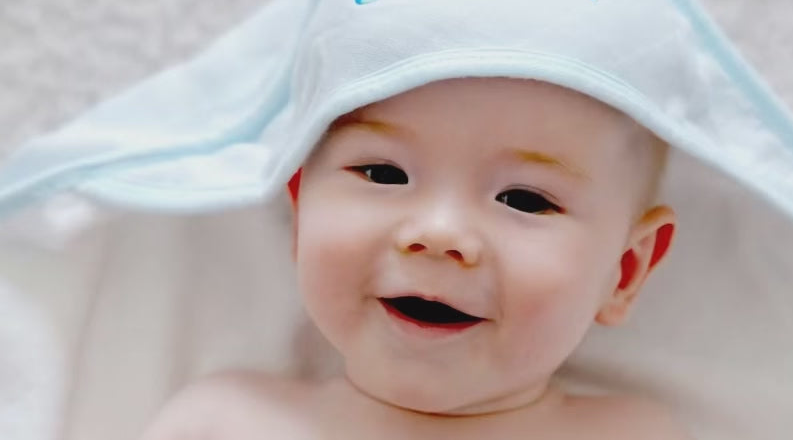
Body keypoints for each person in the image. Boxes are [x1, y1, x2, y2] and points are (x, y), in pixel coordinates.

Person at [139, 75, 690, 438]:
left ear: (626, 270)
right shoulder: (225, 423)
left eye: (524, 199)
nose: (439, 233)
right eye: (383, 173)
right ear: (301, 213)